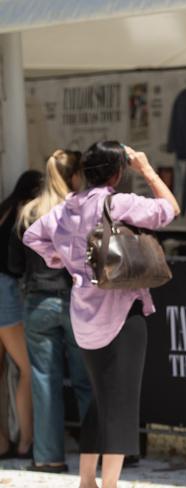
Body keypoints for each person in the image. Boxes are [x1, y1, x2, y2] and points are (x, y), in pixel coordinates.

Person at [23, 141, 179, 488]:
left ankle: (87, 482)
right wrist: (147, 168)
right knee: (122, 404)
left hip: (84, 315)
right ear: (117, 172)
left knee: (100, 399)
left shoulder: (67, 207)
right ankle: (108, 484)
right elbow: (170, 209)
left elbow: (32, 235)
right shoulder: (117, 202)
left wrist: (65, 261)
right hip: (122, 312)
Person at [9, 150, 92, 473]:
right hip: (76, 301)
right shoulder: (79, 212)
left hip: (38, 301)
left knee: (44, 382)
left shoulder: (29, 212)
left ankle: (48, 457)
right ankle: (96, 455)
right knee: (86, 382)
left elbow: (15, 264)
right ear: (73, 176)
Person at [0, 169, 42, 459]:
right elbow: (16, 265)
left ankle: (2, 442)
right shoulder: (24, 214)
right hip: (7, 291)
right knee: (28, 370)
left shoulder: (3, 209)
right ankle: (27, 441)